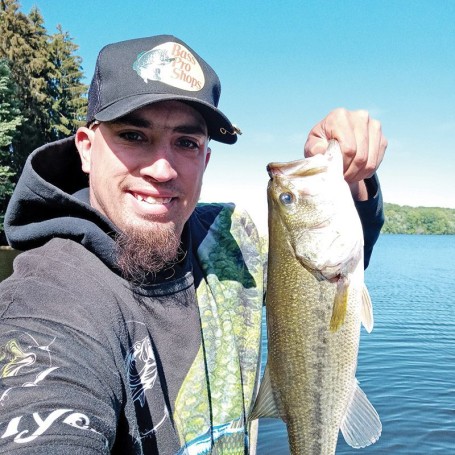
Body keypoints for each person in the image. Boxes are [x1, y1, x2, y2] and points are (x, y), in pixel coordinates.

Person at [0, 34, 386, 454]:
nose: (163, 169)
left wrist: (350, 176)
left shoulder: (232, 240)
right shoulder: (48, 301)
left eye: (186, 142)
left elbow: (328, 275)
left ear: (205, 159)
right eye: (133, 135)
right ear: (87, 149)